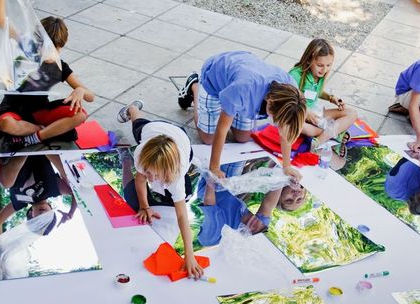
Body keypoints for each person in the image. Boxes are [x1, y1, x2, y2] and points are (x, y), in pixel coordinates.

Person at [0, 0, 95, 152]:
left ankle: (34, 137)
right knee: (6, 124)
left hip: (40, 111)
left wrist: (80, 90)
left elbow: (91, 97)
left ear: (61, 46)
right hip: (13, 110)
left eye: (53, 48)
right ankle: (45, 130)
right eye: (42, 44)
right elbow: (0, 18)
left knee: (80, 116)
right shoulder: (24, 47)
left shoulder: (59, 66)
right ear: (35, 38)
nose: (46, 51)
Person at [178, 51, 306, 181]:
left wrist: (286, 166)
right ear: (270, 100)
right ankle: (194, 85)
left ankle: (233, 108)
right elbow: (222, 129)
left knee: (243, 137)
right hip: (215, 78)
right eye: (274, 117)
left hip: (242, 83)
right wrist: (215, 167)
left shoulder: (293, 95)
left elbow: (285, 133)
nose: (274, 123)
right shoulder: (243, 89)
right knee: (208, 138)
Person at [116, 100, 203, 279]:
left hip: (181, 140)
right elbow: (140, 181)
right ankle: (133, 108)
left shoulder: (177, 177)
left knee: (183, 193)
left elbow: (181, 216)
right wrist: (144, 207)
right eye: (148, 172)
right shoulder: (141, 154)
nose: (151, 179)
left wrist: (190, 255)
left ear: (169, 172)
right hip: (151, 130)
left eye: (156, 176)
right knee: (137, 121)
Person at [289, 39, 357, 156]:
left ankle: (317, 142)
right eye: (320, 65)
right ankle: (334, 132)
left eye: (328, 65)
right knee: (306, 128)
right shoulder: (295, 75)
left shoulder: (319, 75)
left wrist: (331, 98)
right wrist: (305, 112)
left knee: (352, 113)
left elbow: (316, 92)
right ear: (309, 59)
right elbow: (288, 99)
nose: (324, 70)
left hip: (315, 114)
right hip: (297, 115)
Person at [0, 154, 77, 237]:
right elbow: (76, 192)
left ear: (31, 215)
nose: (42, 214)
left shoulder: (20, 202)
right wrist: (71, 212)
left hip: (13, 153)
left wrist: (0, 247)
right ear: (51, 209)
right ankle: (40, 148)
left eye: (38, 220)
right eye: (47, 217)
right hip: (41, 149)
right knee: (71, 180)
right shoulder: (53, 189)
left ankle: (24, 152)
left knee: (6, 183)